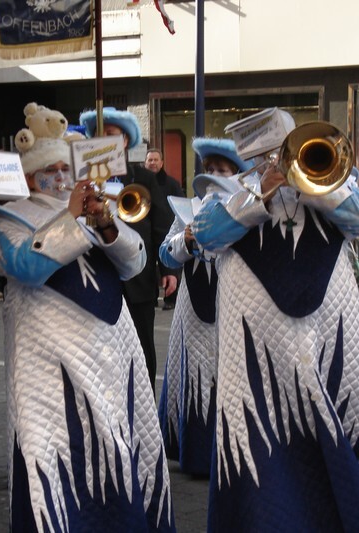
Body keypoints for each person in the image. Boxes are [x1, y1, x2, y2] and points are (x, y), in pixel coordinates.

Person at [192, 113, 359, 531]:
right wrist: (259, 194)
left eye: (282, 151)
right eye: (266, 156)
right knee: (261, 436)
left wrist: (315, 185)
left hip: (328, 330)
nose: (277, 161)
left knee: (344, 420)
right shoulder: (229, 192)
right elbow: (206, 234)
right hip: (256, 340)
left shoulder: (333, 181)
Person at [0, 104, 174, 530]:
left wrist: (105, 224)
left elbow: (135, 264)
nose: (60, 177)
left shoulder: (99, 205)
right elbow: (26, 267)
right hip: (47, 352)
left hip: (110, 344)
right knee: (55, 444)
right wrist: (69, 217)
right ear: (30, 176)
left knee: (118, 441)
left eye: (65, 169)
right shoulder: (6, 217)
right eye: (49, 170)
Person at [157, 137, 250, 477]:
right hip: (192, 306)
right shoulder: (190, 208)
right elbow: (166, 254)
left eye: (222, 169)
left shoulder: (248, 208)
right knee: (195, 368)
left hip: (234, 301)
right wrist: (184, 240)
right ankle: (196, 453)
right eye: (210, 168)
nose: (215, 174)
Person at [79, 107, 176, 391]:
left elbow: (161, 225)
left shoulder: (143, 177)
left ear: (124, 141)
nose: (105, 140)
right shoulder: (82, 178)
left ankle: (144, 400)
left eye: (111, 134)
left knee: (142, 346)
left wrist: (168, 268)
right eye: (99, 135)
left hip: (138, 278)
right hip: (95, 274)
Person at [145, 148, 184, 310]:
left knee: (169, 263)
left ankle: (171, 298)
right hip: (146, 231)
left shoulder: (172, 184)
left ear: (161, 163)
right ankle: (151, 297)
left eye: (156, 160)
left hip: (167, 229)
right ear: (145, 163)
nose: (153, 163)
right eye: (150, 160)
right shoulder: (140, 183)